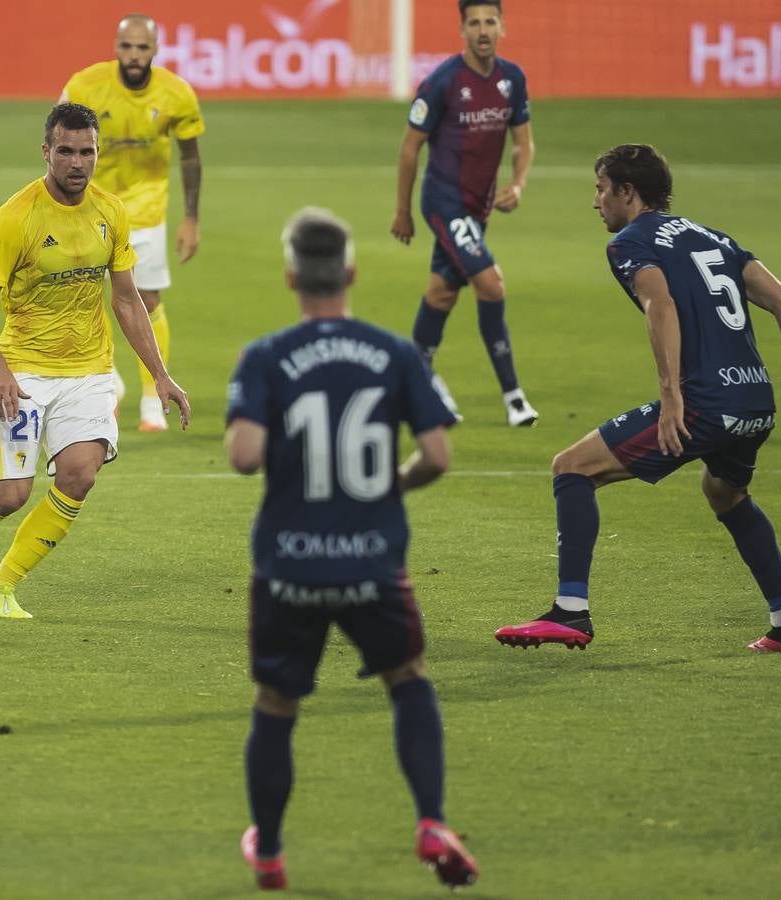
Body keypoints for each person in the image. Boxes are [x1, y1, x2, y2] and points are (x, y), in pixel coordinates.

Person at [494, 144, 781, 653]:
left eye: (600, 189)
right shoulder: (712, 236)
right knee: (725, 493)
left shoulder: (631, 243)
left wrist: (672, 397)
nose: (596, 202)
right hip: (755, 400)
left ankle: (570, 611)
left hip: (705, 400)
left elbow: (661, 304)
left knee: (572, 468)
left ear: (626, 192)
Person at [226, 208, 476, 890]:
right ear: (352, 274)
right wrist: (388, 487)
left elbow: (245, 457)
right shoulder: (394, 352)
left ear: (290, 278)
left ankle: (271, 852)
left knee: (277, 702)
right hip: (371, 561)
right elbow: (438, 456)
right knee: (409, 678)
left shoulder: (266, 356)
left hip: (289, 566)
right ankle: (430, 820)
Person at [0, 103, 190, 620]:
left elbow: (126, 300)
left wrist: (159, 373)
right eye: (67, 151)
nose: (78, 163)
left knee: (79, 476)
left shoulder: (110, 212)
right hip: (25, 371)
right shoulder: (17, 216)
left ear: (98, 152)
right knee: (9, 496)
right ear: (46, 151)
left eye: (88, 151)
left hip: (90, 370)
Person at [391, 0, 538, 427]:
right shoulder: (442, 82)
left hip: (479, 206)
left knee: (442, 292)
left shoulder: (513, 79)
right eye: (473, 22)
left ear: (502, 26)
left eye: (490, 21)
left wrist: (518, 184)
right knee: (491, 285)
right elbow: (409, 147)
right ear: (462, 30)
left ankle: (418, 377)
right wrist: (402, 211)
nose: (483, 29)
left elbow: (523, 142)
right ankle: (514, 398)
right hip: (444, 201)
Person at [61, 13, 205, 433]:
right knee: (82, 296)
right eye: (127, 46)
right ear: (116, 48)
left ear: (156, 49)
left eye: (143, 47)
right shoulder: (86, 86)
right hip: (90, 207)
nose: (134, 55)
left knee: (148, 301)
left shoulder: (177, 94)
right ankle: (110, 384)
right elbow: (57, 138)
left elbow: (191, 157)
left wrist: (191, 218)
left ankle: (150, 397)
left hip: (145, 213)